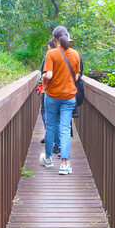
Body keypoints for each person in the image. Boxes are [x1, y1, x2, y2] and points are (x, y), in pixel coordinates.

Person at [42, 25, 81, 175]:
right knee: (65, 128)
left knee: (51, 126)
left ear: (54, 39)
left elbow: (49, 75)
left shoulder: (51, 54)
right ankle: (65, 164)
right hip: (69, 97)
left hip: (52, 96)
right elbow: (76, 77)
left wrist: (42, 78)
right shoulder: (75, 54)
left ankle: (48, 158)